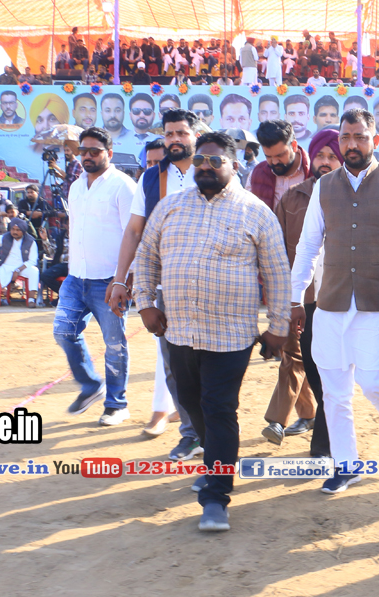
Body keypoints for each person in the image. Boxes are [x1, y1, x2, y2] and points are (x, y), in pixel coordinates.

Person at [133, 131, 291, 531]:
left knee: (219, 408)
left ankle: (216, 497)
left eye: (215, 160)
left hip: (231, 334)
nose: (205, 166)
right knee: (192, 402)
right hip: (179, 330)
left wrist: (278, 328)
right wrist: (146, 303)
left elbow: (277, 273)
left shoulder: (256, 213)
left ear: (234, 165)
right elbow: (146, 256)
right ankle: (218, 459)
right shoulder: (169, 207)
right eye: (200, 159)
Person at [290, 108, 379, 494]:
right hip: (331, 303)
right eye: (345, 137)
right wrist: (295, 297)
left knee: (374, 382)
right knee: (334, 392)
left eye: (360, 137)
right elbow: (309, 243)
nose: (352, 144)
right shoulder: (325, 187)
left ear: (374, 140)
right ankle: (346, 465)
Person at [109, 109, 207, 461]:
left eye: (181, 133)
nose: (175, 139)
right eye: (169, 134)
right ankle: (192, 434)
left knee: (211, 364)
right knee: (174, 364)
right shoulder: (151, 178)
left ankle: (216, 432)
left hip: (210, 283)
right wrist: (120, 279)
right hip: (166, 285)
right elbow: (134, 231)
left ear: (195, 135)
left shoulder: (214, 170)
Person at [58, 126, 137, 424]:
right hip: (76, 278)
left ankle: (117, 404)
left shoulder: (123, 186)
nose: (87, 156)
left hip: (109, 281)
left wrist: (123, 279)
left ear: (109, 153)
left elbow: (133, 234)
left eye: (94, 151)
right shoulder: (76, 186)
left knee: (114, 344)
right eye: (83, 151)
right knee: (64, 332)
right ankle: (91, 385)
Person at [248, 120, 319, 443]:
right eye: (269, 157)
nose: (274, 162)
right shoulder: (259, 175)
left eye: (280, 155)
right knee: (294, 348)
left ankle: (281, 419)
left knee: (299, 351)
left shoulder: (317, 172)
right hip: (280, 273)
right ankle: (307, 414)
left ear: (294, 144)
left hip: (320, 277)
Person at [274, 128, 343, 460]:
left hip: (344, 300)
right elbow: (277, 253)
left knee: (336, 373)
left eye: (332, 156)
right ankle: (328, 436)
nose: (325, 162)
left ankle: (325, 445)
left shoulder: (355, 198)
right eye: (320, 156)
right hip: (306, 302)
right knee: (314, 371)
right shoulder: (292, 199)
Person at [0, 217, 40, 307]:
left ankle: (31, 300)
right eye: (13, 229)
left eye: (18, 230)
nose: (14, 232)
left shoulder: (30, 241)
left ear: (23, 231)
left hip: (23, 267)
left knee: (34, 271)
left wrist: (18, 270)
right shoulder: (5, 238)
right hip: (6, 266)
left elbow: (32, 261)